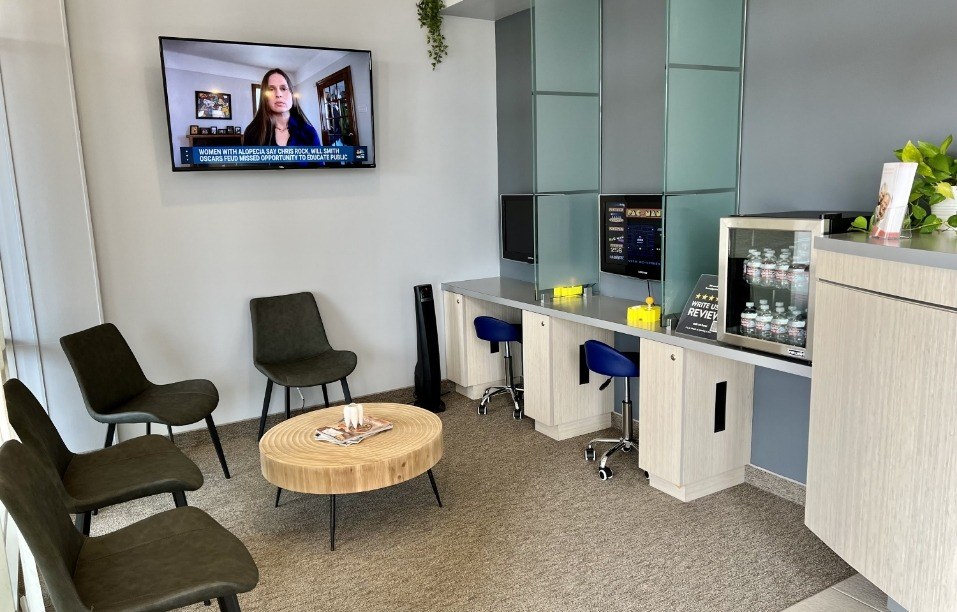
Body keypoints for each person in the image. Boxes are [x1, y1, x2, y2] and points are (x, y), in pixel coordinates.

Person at [243, 69, 320, 147]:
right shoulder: (252, 133)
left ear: (291, 94)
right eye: (271, 89)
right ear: (264, 98)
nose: (278, 94)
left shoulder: (309, 132)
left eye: (283, 89)